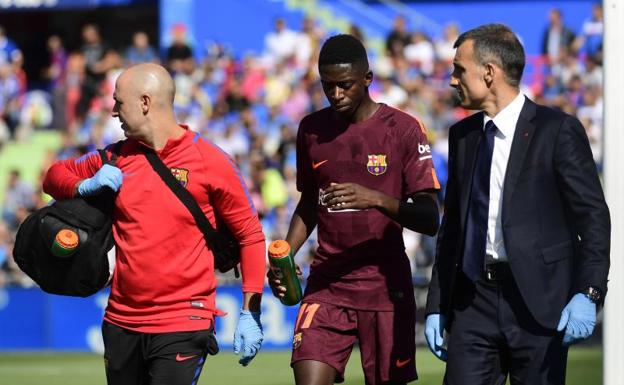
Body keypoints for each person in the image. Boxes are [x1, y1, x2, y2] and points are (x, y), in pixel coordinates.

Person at [42, 63, 266, 385]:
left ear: (145, 102)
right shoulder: (114, 157)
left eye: (119, 102)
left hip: (184, 320)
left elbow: (250, 235)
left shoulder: (211, 162)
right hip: (121, 321)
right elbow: (53, 176)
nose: (114, 112)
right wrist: (83, 185)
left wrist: (250, 310)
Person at [424, 24, 610, 385]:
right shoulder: (461, 136)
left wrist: (588, 292)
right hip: (473, 302)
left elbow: (593, 219)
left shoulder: (557, 130)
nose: (451, 80)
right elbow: (453, 230)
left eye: (459, 69)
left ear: (489, 72)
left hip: (540, 304)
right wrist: (437, 303)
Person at [268, 34, 441, 385]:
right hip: (327, 283)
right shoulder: (311, 130)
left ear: (367, 78)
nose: (336, 95)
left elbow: (429, 217)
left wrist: (376, 198)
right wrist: (285, 254)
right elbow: (308, 202)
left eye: (344, 85)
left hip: (385, 287)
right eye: (327, 86)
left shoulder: (404, 130)